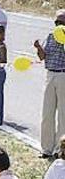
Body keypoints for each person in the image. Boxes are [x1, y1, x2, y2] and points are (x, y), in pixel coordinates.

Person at [36, 9, 65, 159]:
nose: (59, 25)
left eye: (62, 22)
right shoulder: (50, 36)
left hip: (63, 75)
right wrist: (38, 48)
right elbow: (42, 56)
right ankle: (46, 148)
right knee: (47, 113)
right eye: (57, 22)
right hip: (50, 74)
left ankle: (60, 150)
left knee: (63, 115)